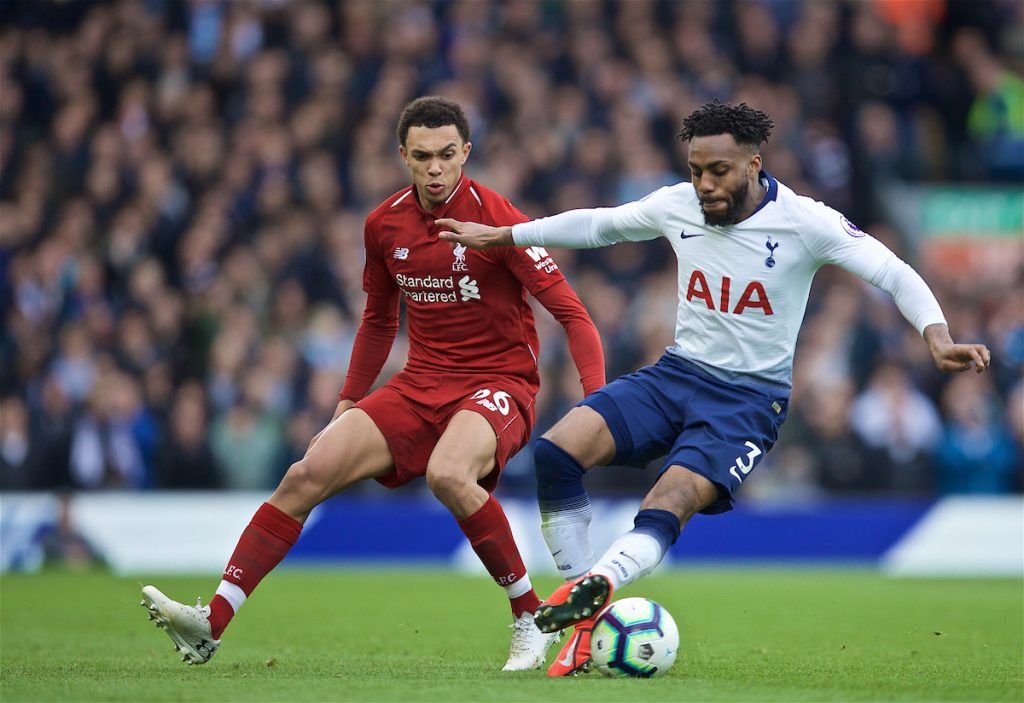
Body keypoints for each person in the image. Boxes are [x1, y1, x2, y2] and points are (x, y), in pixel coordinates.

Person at [438, 100, 992, 676]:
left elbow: (892, 271)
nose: (703, 184)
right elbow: (598, 224)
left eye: (718, 171)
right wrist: (504, 235)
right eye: (695, 170)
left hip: (748, 401)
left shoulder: (806, 222)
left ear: (754, 164)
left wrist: (937, 334)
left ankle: (600, 585)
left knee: (668, 500)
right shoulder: (678, 204)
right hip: (676, 374)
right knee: (556, 452)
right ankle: (585, 615)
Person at [141, 96, 606, 671]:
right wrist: (347, 402)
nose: (434, 169)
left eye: (445, 155)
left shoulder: (500, 220)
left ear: (466, 152)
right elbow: (379, 320)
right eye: (421, 157)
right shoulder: (383, 225)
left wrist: (595, 398)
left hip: (499, 384)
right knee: (305, 474)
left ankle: (529, 618)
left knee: (448, 474)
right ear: (402, 156)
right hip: (418, 385)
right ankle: (211, 622)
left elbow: (575, 315)